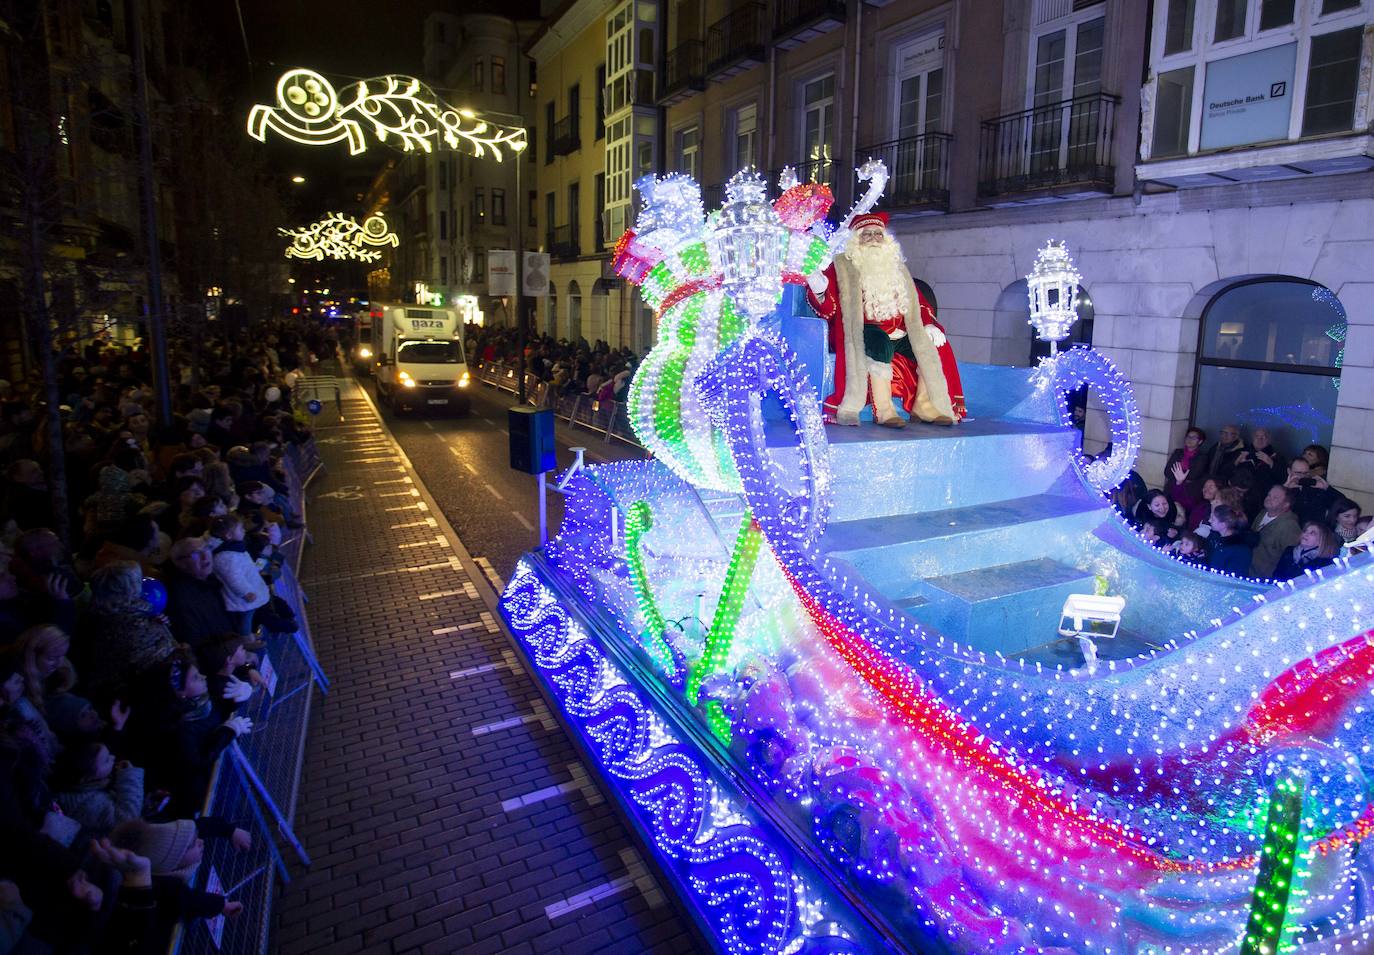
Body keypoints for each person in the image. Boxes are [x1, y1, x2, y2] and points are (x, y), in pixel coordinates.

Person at [805, 212, 965, 428]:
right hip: (864, 329)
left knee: (933, 345)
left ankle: (924, 405)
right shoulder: (841, 266)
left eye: (877, 234)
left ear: (886, 239)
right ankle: (884, 410)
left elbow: (918, 302)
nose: (872, 239)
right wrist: (820, 289)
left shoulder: (896, 266)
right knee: (879, 344)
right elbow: (829, 309)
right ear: (856, 240)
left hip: (901, 330)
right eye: (866, 234)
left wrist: (929, 323)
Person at [163, 537, 240, 647]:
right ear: (180, 563)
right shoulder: (181, 599)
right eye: (196, 554)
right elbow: (197, 644)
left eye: (207, 549)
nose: (205, 557)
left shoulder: (212, 579)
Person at [209, 515, 267, 635]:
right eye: (240, 529)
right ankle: (246, 639)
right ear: (228, 535)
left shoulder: (235, 548)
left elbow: (245, 567)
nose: (244, 530)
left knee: (250, 615)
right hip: (241, 598)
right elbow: (234, 579)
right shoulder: (224, 556)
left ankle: (250, 635)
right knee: (246, 618)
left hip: (250, 589)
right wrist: (245, 593)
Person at [1249, 484, 1302, 578]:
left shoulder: (1290, 526)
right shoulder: (1263, 513)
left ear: (1286, 504)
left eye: (1275, 498)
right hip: (1250, 571)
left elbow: (1290, 558)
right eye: (1269, 495)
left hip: (1266, 578)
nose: (1269, 498)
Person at [1272, 522, 1340, 581]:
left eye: (1312, 533)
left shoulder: (1324, 563)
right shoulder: (1289, 551)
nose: (1305, 534)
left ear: (1322, 540)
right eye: (1305, 531)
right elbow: (1276, 575)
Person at [1164, 427, 1207, 514]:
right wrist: (1180, 478)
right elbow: (1167, 471)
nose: (1189, 439)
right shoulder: (1178, 452)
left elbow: (1195, 475)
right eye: (1188, 436)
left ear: (1200, 441)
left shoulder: (1202, 457)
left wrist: (1179, 476)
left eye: (1193, 437)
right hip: (1171, 488)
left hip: (1189, 492)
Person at [1207, 505, 1253, 576]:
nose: (1209, 520)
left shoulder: (1239, 550)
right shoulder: (1216, 539)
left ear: (1223, 525)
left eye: (1213, 519)